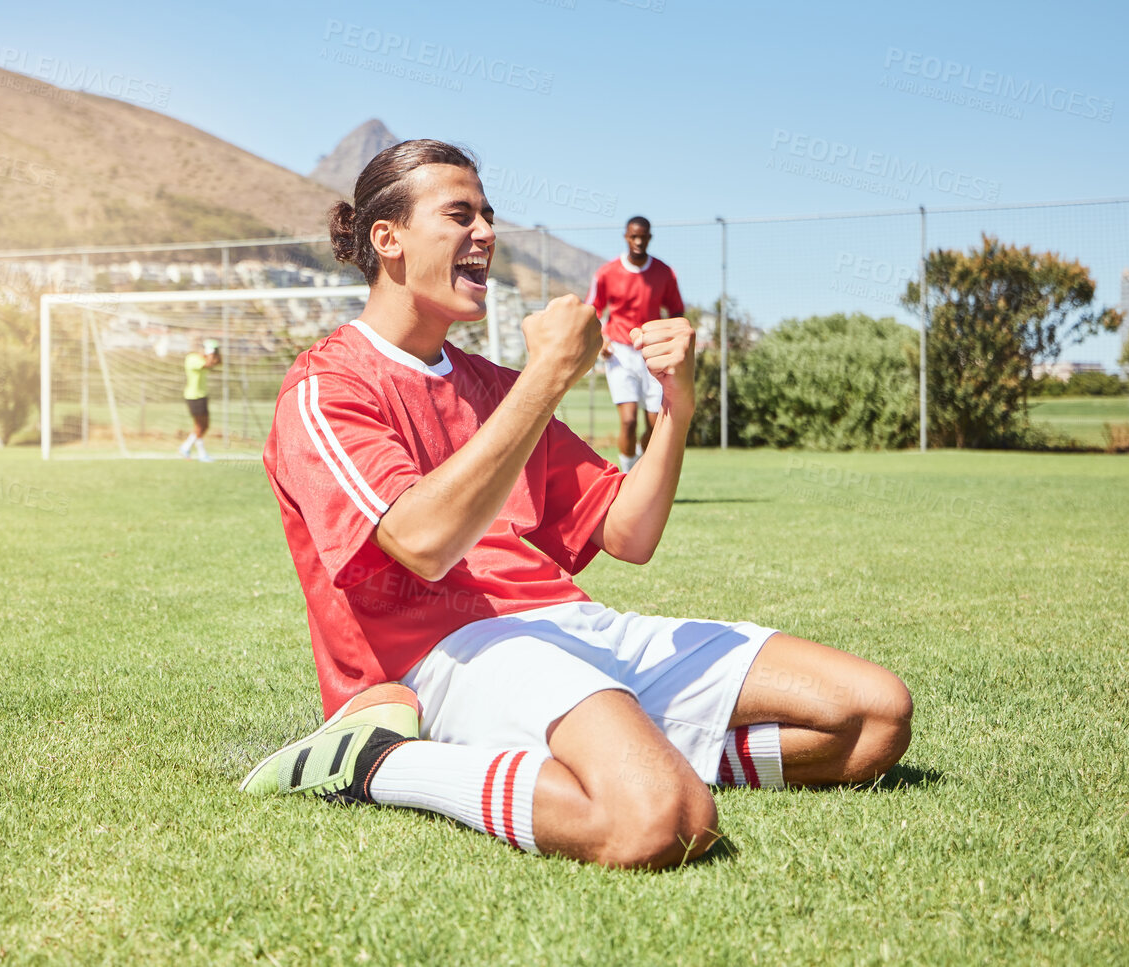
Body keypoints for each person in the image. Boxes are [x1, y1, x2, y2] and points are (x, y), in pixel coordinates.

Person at [241, 141, 911, 869]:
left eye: (488, 216)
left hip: (570, 627)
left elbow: (629, 532)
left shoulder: (492, 386)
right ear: (387, 238)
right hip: (441, 654)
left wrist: (675, 408)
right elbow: (420, 541)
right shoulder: (328, 385)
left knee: (873, 717)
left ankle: (638, 747)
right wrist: (550, 372)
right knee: (660, 820)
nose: (487, 234)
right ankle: (373, 761)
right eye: (459, 215)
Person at [586, 216, 684, 472]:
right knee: (628, 422)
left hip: (653, 352)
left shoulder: (664, 273)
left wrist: (672, 344)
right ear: (626, 236)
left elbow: (676, 312)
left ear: (650, 238)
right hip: (619, 352)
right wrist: (601, 340)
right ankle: (628, 476)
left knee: (654, 426)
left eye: (643, 237)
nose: (638, 241)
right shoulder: (607, 273)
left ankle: (640, 457)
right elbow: (592, 310)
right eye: (634, 236)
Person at [177, 338, 221, 462]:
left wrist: (215, 353)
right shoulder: (192, 358)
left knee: (205, 425)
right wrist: (211, 353)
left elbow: (217, 362)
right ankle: (201, 454)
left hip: (202, 395)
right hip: (193, 396)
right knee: (199, 425)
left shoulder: (203, 358)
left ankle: (185, 447)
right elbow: (208, 364)